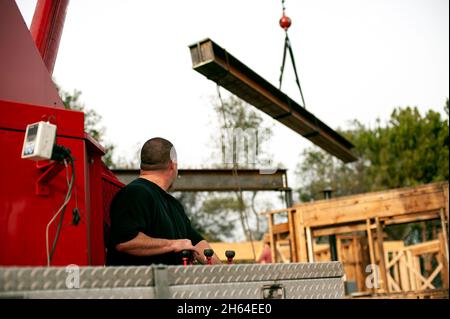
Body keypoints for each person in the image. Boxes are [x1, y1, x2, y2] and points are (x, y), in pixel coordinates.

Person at [106, 137, 221, 266]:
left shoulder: (173, 204)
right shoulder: (135, 193)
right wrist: (173, 244)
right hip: (139, 285)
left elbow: (196, 243)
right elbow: (124, 241)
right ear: (173, 164)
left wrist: (224, 273)